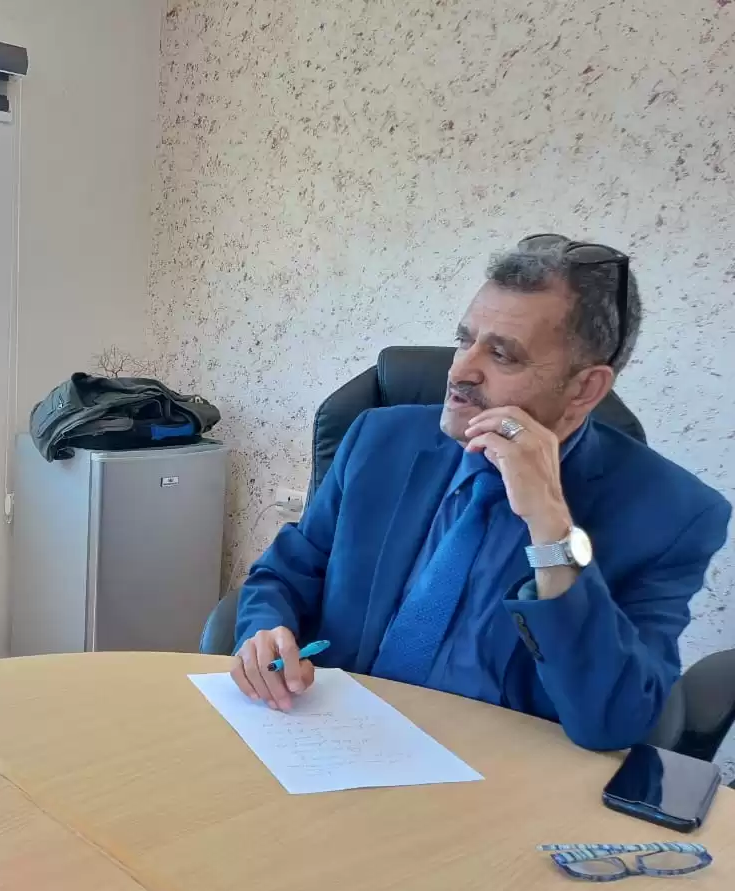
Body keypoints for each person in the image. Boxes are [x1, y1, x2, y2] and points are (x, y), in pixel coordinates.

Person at [232, 233, 731, 750]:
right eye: (464, 339)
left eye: (502, 355)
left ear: (584, 388)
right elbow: (287, 572)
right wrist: (264, 632)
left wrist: (550, 527)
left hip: (496, 775)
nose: (461, 370)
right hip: (324, 742)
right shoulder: (379, 440)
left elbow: (614, 721)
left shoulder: (673, 516)